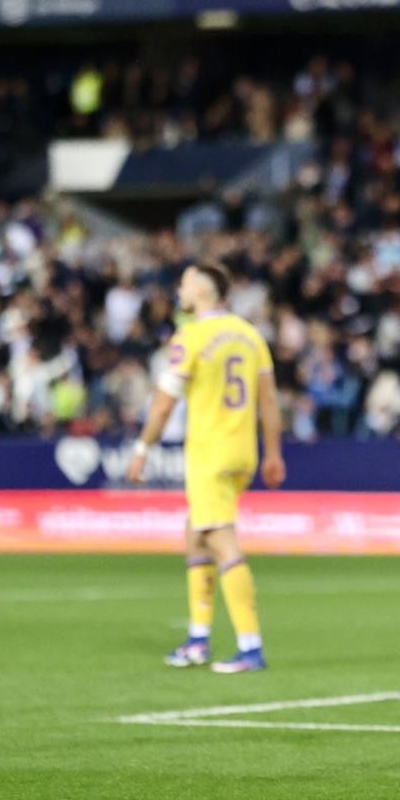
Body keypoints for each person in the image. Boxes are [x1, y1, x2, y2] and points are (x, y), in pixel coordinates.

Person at [128, 263, 286, 674]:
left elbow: (163, 403)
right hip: (243, 451)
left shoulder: (191, 337)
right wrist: (273, 453)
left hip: (210, 453)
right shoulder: (250, 335)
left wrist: (142, 447)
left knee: (220, 538)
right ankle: (198, 639)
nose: (179, 290)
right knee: (195, 534)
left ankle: (250, 646)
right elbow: (269, 401)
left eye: (183, 283)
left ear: (200, 290)